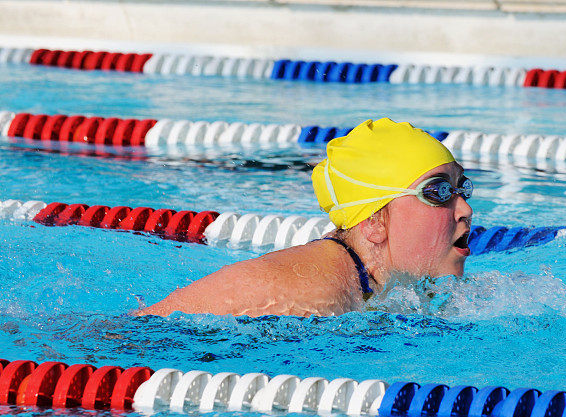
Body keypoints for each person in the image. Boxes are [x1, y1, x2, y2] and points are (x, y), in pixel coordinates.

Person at [137, 118, 474, 317]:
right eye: (438, 192)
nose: (465, 210)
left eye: (462, 188)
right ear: (374, 222)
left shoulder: (389, 282)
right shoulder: (314, 293)